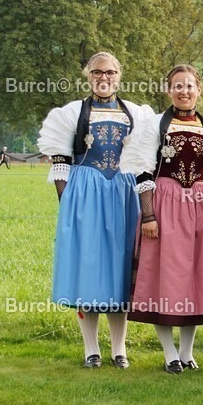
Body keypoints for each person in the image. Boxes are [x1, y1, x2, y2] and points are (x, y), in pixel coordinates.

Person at [38, 52, 155, 369]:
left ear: (119, 75)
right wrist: (69, 205)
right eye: (97, 72)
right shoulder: (73, 113)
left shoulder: (136, 113)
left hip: (123, 192)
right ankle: (91, 349)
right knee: (89, 270)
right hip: (86, 193)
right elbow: (61, 162)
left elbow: (145, 161)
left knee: (120, 271)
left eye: (111, 72)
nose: (104, 77)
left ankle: (119, 349)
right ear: (87, 74)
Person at [120, 64, 203, 374]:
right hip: (166, 202)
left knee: (197, 276)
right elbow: (142, 170)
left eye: (190, 85)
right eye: (178, 86)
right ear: (169, 90)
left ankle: (188, 352)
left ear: (199, 89)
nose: (184, 91)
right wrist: (149, 215)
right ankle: (169, 353)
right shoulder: (154, 125)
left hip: (202, 206)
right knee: (165, 277)